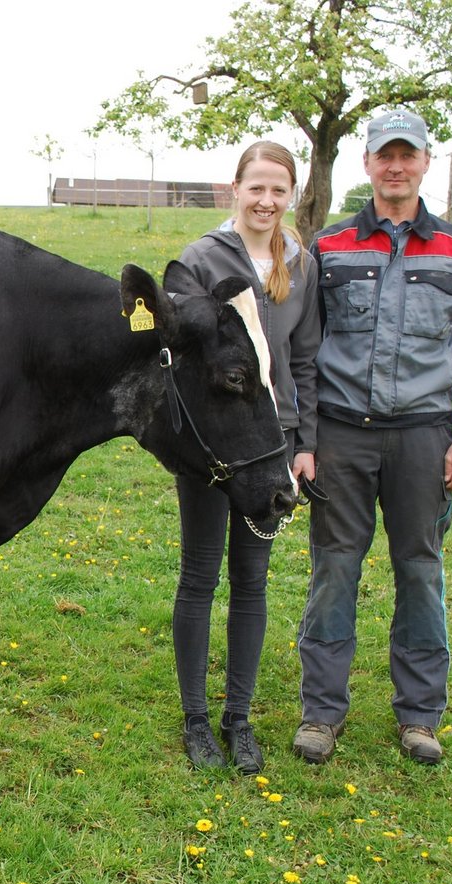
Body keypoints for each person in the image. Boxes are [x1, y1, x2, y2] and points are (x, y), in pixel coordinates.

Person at [293, 110, 452, 766]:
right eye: (385, 155)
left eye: (408, 155)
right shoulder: (330, 246)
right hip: (344, 437)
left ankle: (419, 715)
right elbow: (307, 347)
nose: (396, 166)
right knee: (334, 572)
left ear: (426, 163)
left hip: (423, 438)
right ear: (369, 164)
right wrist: (308, 439)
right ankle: (321, 712)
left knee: (420, 572)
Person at [172, 141, 322, 773]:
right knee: (202, 575)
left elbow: (308, 360)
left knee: (252, 580)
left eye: (278, 191)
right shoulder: (199, 260)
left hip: (274, 444)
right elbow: (179, 360)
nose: (266, 201)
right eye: (256, 188)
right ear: (234, 188)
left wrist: (306, 442)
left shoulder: (302, 265)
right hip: (215, 446)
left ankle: (240, 718)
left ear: (292, 197)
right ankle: (197, 721)